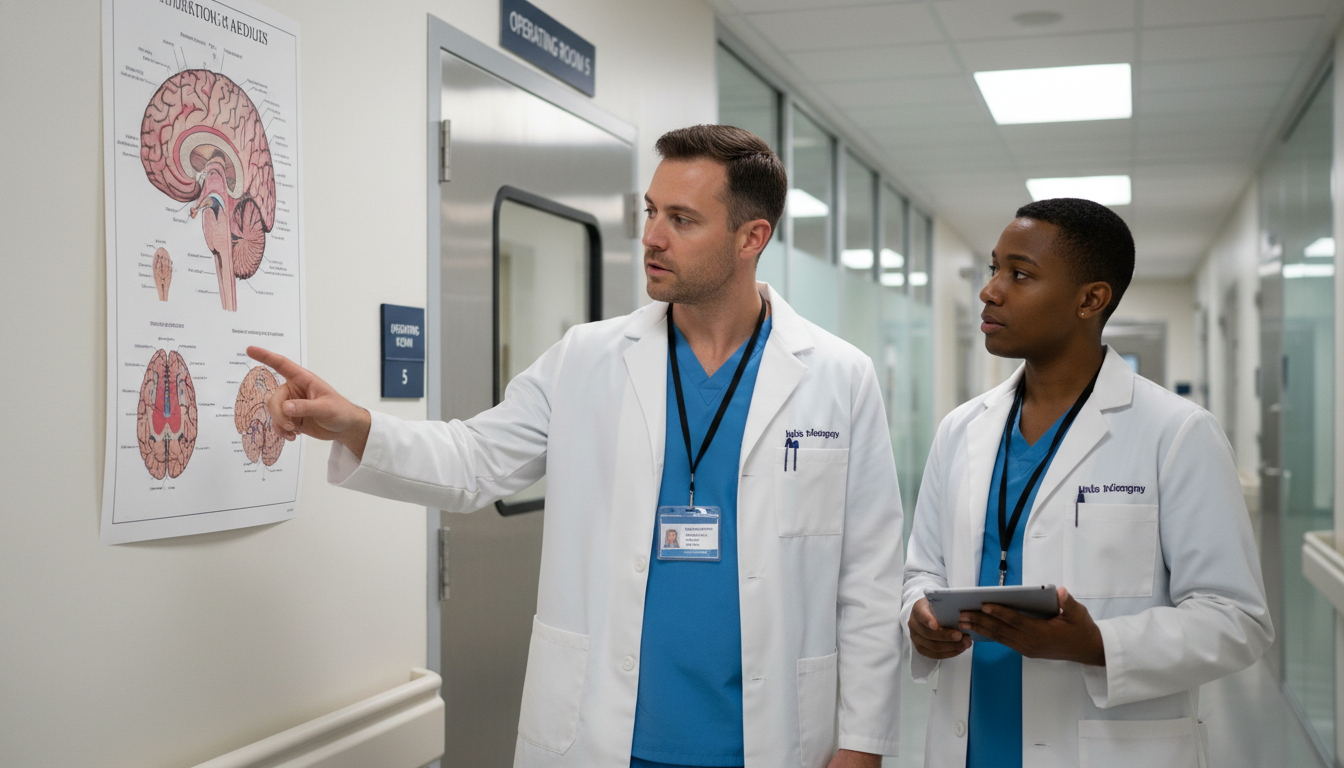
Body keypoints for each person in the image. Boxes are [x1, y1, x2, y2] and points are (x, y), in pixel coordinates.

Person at [249, 125, 903, 768]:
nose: (651, 235)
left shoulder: (838, 377)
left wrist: (863, 739)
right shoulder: (586, 358)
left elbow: (870, 577)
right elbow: (474, 460)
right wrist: (357, 424)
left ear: (750, 238)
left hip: (774, 740)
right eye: (651, 212)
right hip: (605, 735)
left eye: (682, 218)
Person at [901, 198, 1272, 768]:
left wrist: (1097, 644)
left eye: (1019, 274)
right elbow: (922, 569)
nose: (990, 291)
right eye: (994, 268)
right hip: (970, 739)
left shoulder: (1175, 432)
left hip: (1106, 746)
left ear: (1091, 299)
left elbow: (1236, 618)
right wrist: (919, 619)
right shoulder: (961, 429)